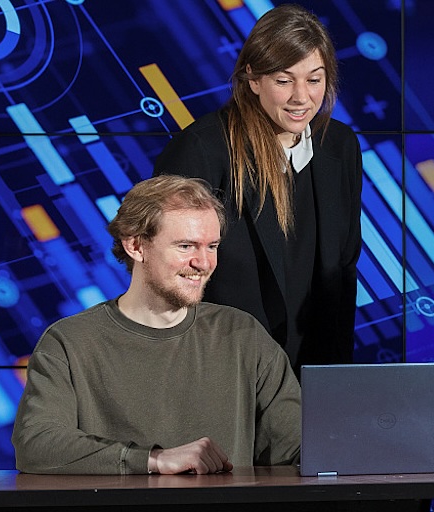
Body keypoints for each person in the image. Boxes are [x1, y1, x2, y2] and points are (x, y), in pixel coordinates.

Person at [12, 175, 301, 474]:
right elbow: (36, 445)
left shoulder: (242, 334)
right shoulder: (69, 342)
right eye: (186, 246)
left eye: (211, 246)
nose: (203, 262)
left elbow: (295, 446)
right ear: (136, 246)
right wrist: (154, 460)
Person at [152, 4, 362, 375]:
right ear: (252, 79)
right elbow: (168, 279)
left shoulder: (339, 145)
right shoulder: (201, 151)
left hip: (315, 370)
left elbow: (344, 270)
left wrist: (337, 380)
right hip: (226, 371)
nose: (302, 97)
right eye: (284, 80)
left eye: (314, 79)